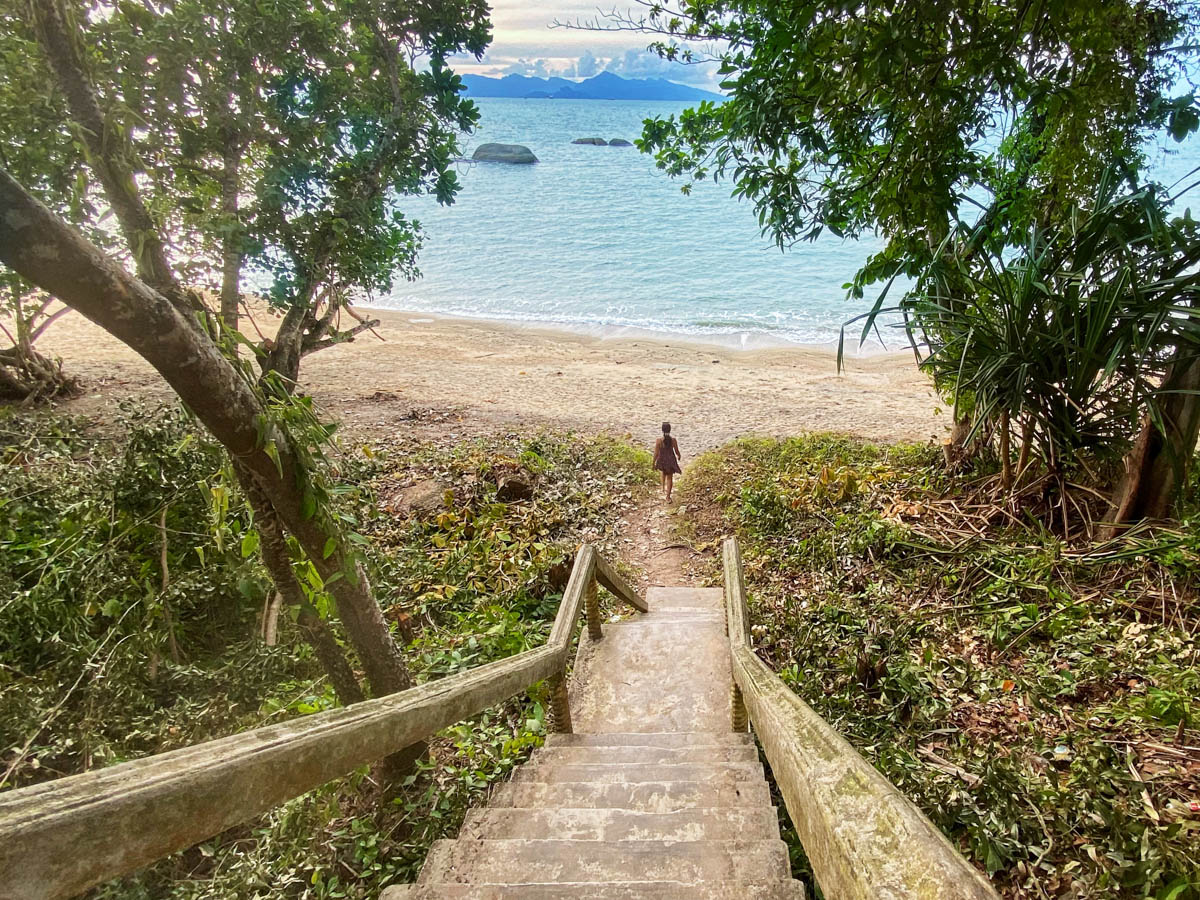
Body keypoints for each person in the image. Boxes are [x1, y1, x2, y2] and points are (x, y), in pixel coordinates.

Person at [653, 421, 682, 501]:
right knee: (670, 478)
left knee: (663, 473)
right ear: (670, 430)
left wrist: (653, 463)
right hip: (670, 461)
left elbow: (656, 453)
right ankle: (668, 496)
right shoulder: (673, 440)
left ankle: (662, 488)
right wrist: (679, 456)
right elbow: (676, 451)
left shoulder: (659, 441)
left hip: (662, 460)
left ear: (662, 430)